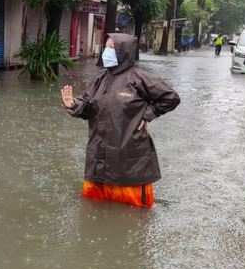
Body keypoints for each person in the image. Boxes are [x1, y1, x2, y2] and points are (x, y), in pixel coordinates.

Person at [61, 34, 180, 209]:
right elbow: (87, 105)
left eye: (111, 48)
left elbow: (170, 97)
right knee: (93, 206)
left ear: (123, 52)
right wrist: (73, 104)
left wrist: (148, 114)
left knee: (132, 212)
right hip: (98, 152)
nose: (106, 51)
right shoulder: (100, 78)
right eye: (106, 47)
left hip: (128, 153)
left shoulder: (139, 78)